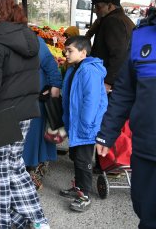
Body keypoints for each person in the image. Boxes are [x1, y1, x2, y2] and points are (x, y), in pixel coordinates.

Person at [0, 0, 49, 229]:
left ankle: (5, 223)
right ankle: (38, 220)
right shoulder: (28, 37)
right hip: (25, 113)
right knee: (14, 165)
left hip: (1, 115)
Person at [96, 10, 156, 229]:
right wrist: (107, 133)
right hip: (147, 151)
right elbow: (124, 92)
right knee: (146, 214)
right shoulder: (141, 35)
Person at [59, 36, 108, 212]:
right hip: (77, 123)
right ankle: (78, 188)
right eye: (65, 50)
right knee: (76, 158)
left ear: (83, 52)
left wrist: (86, 125)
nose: (66, 53)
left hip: (85, 125)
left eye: (70, 50)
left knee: (84, 160)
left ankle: (85, 196)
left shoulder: (89, 71)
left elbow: (91, 100)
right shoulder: (76, 68)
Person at [23, 36, 62, 190]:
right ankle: (28, 169)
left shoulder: (34, 40)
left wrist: (54, 86)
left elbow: (50, 65)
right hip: (18, 97)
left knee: (33, 134)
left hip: (36, 97)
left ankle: (31, 169)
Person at [89, 0, 135, 92]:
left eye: (98, 7)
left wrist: (109, 81)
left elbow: (119, 53)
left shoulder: (113, 20)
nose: (95, 11)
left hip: (111, 79)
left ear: (110, 6)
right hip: (118, 75)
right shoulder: (121, 18)